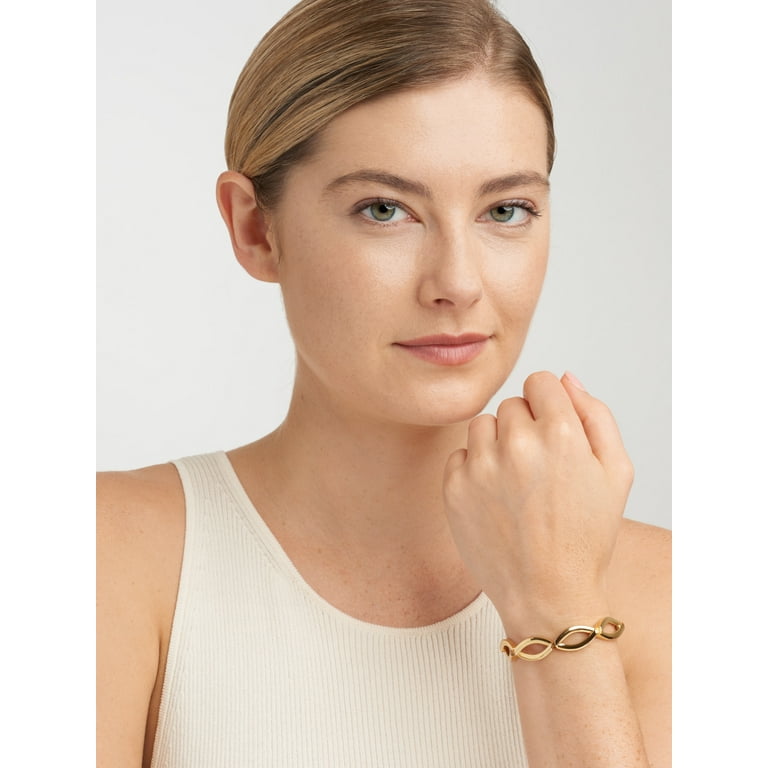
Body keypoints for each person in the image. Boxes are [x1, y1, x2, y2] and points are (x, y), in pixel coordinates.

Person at [97, 0, 671, 765]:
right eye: (385, 209)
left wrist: (557, 606)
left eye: (505, 209)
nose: (458, 283)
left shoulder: (674, 593)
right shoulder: (107, 554)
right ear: (255, 228)